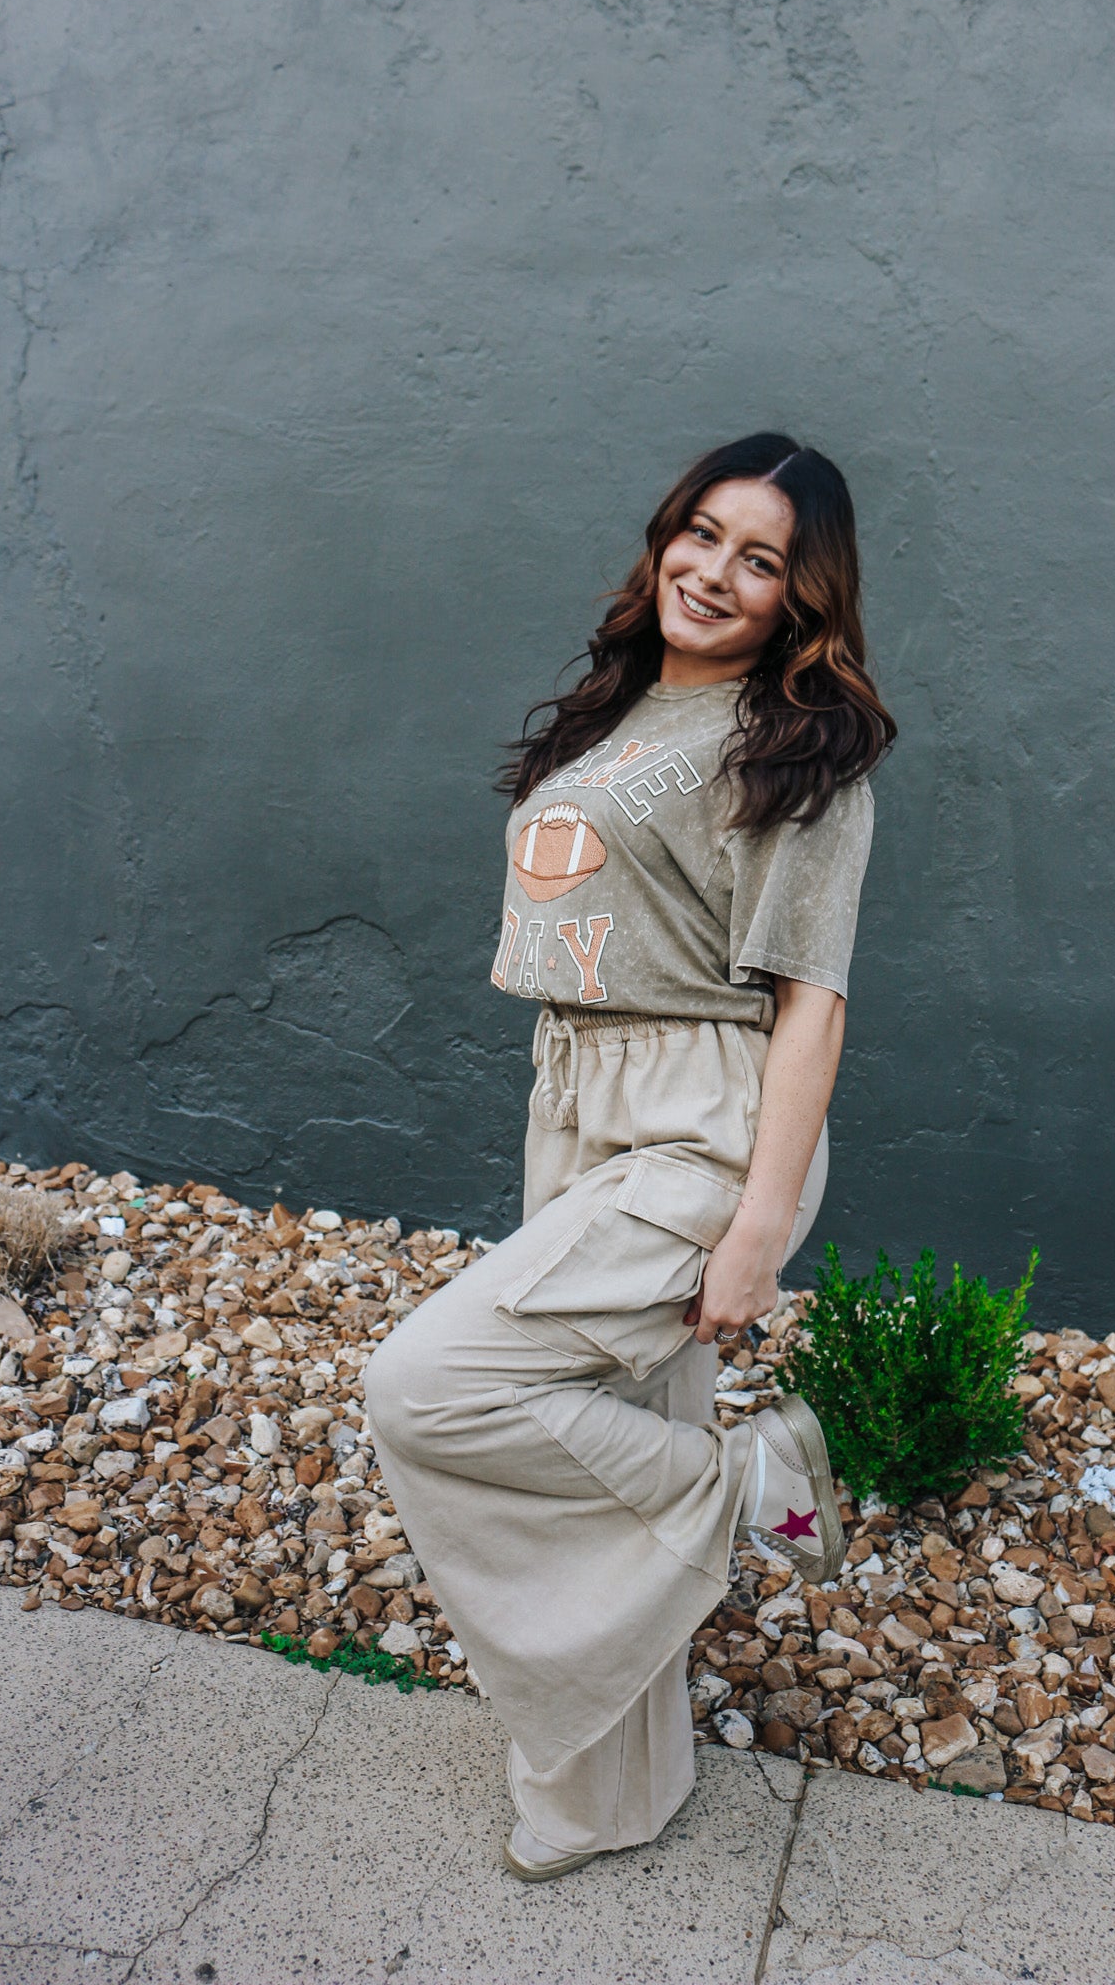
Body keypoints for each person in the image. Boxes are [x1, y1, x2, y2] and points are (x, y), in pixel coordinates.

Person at [364, 431, 896, 1881]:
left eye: (760, 558)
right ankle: (607, 1797)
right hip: (580, 1093)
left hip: (700, 1117)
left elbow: (810, 1001)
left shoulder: (802, 751)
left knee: (428, 1383)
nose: (715, 571)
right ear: (663, 535)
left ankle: (744, 1482)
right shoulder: (623, 713)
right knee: (607, 1459)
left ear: (803, 595)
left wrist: (759, 1225)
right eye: (701, 535)